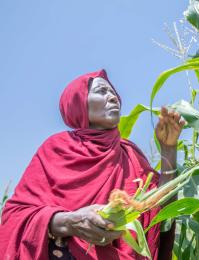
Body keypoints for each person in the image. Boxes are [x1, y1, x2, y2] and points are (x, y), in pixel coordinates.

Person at [0, 69, 186, 259]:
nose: (113, 97)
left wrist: (168, 149)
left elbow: (161, 215)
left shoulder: (130, 154)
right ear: (78, 103)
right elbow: (16, 216)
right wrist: (71, 222)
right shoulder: (56, 149)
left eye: (113, 92)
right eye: (101, 91)